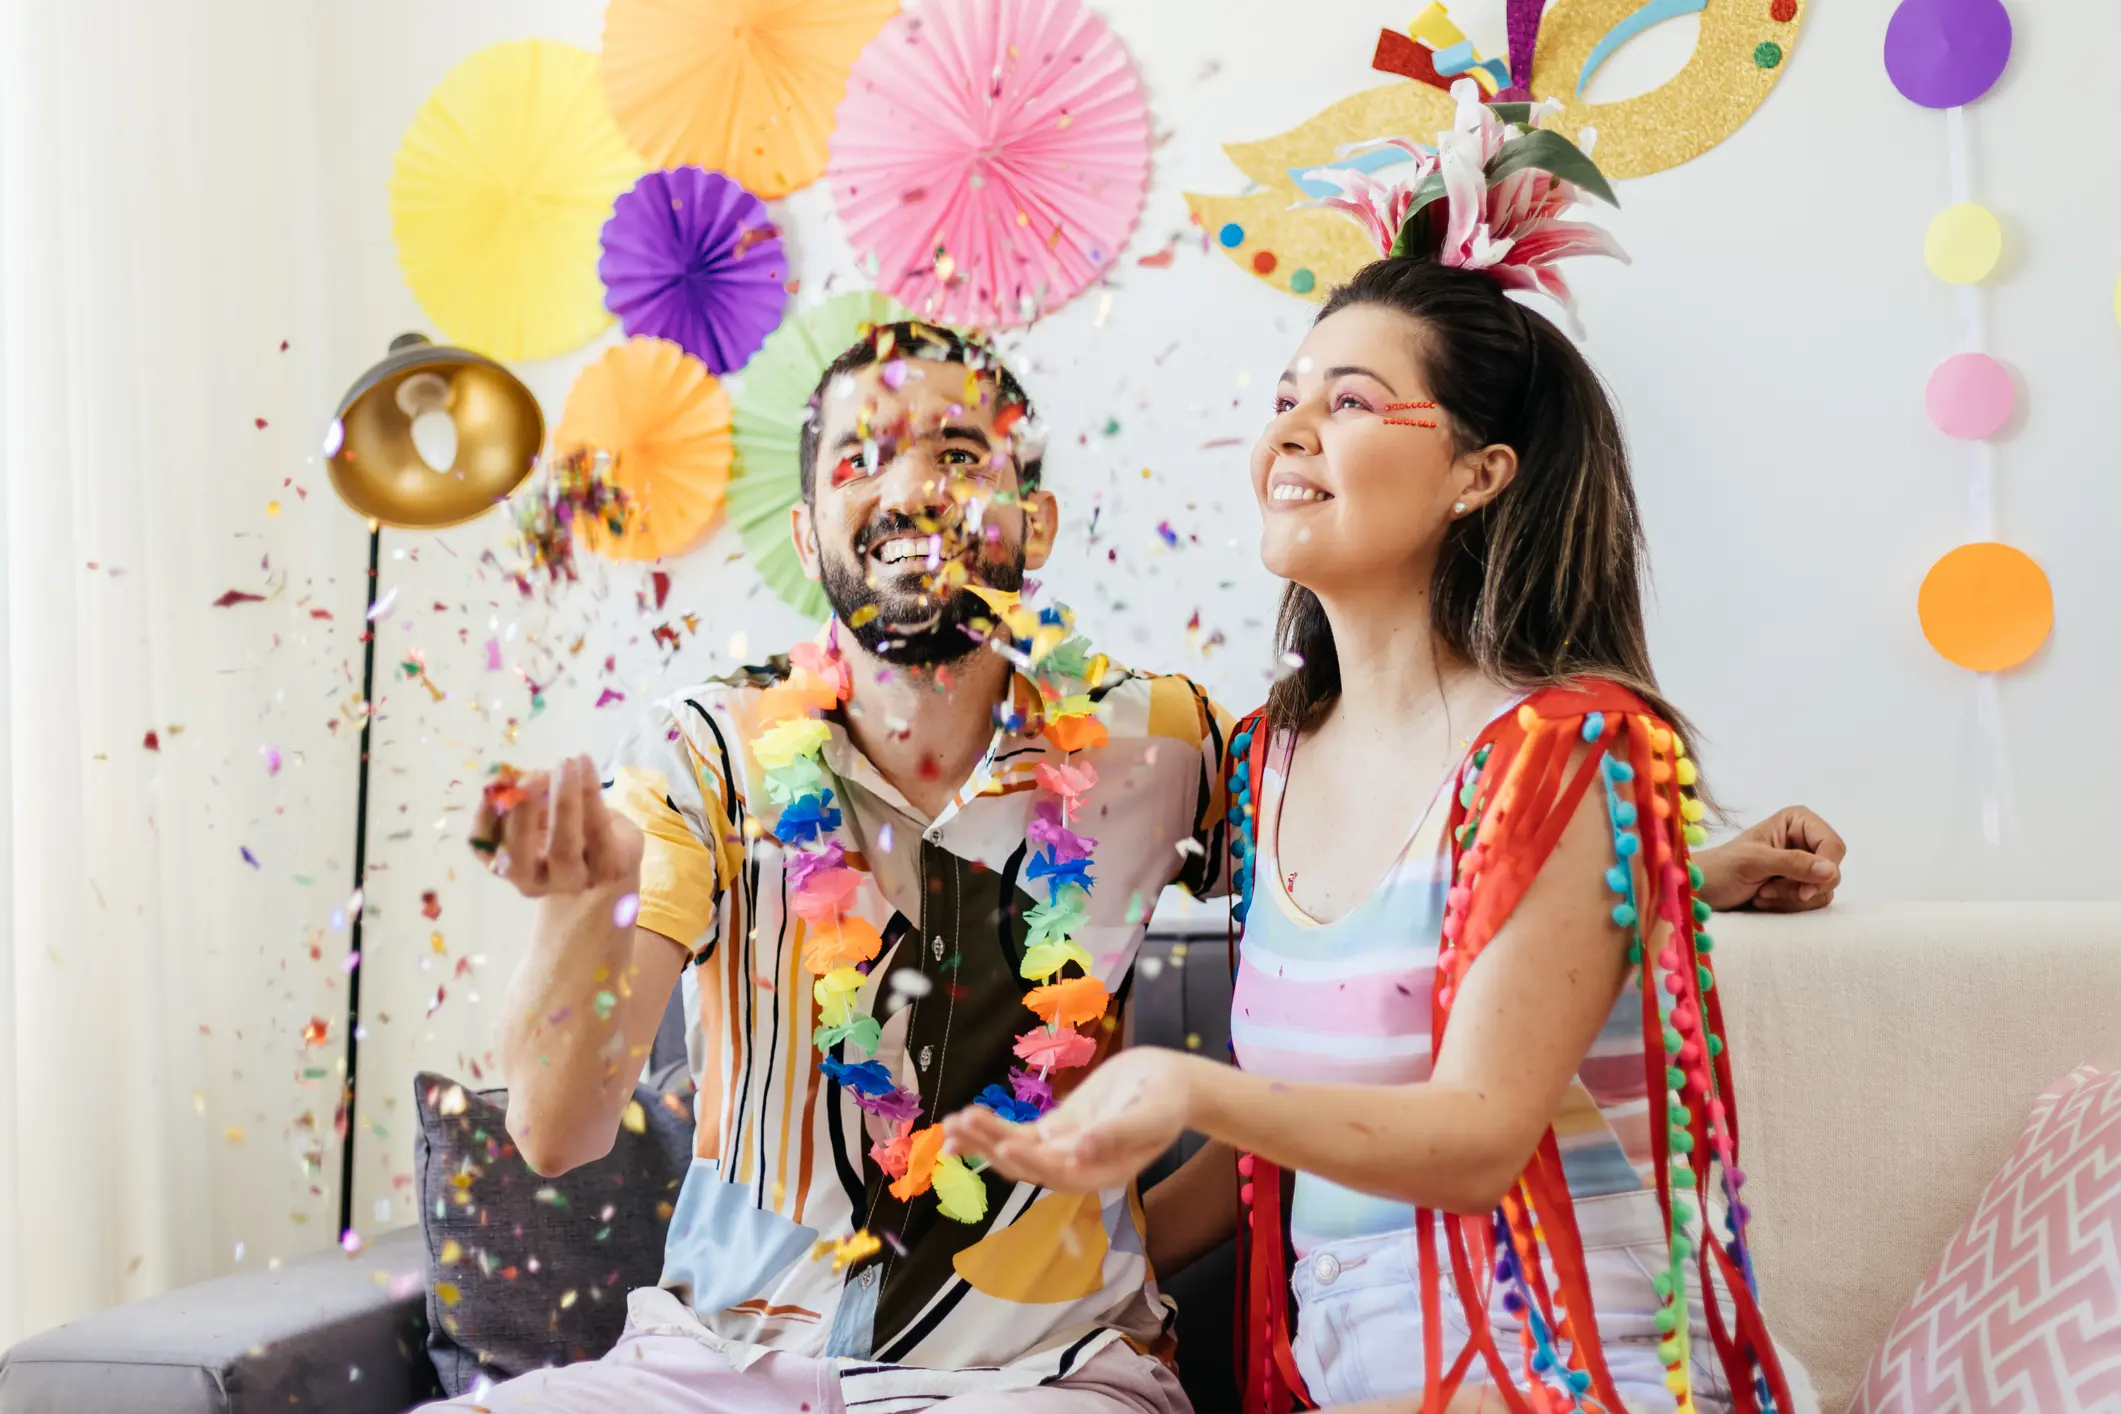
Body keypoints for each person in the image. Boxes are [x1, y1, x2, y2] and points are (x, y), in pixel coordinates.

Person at [446, 311, 1836, 1410]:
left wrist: (1677, 864)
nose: (908, 481)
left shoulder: (1156, 744)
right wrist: (581, 908)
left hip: (1043, 1378)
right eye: (858, 459)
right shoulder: (706, 757)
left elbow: (1385, 873)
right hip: (717, 1371)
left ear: (1030, 524)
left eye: (957, 449)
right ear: (809, 535)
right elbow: (555, 1133)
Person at [945, 87, 1809, 1414]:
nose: (1287, 432)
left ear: (1479, 471)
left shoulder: (1572, 750)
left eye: (1348, 401)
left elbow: (1474, 1137)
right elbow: (1310, 1144)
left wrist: (1192, 1086)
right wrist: (1045, 1273)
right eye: (1286, 396)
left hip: (1574, 1372)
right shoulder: (1266, 765)